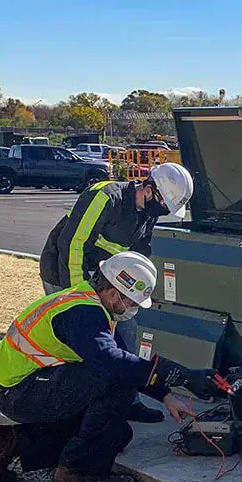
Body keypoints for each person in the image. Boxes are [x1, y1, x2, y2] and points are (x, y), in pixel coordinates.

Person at [0, 251, 218, 482]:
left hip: (27, 386)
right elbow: (114, 364)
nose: (134, 309)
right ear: (114, 293)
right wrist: (179, 375)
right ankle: (77, 474)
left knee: (117, 435)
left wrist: (165, 395)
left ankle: (10, 442)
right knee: (116, 381)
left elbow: (123, 358)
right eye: (133, 302)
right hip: (17, 393)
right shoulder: (82, 313)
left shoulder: (90, 302)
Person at [39, 162, 193, 423]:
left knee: (127, 334)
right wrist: (79, 299)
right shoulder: (105, 197)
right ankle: (78, 405)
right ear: (149, 189)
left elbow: (139, 254)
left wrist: (136, 293)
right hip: (64, 272)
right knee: (83, 341)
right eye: (164, 204)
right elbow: (73, 246)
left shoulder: (148, 214)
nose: (164, 211)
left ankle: (129, 401)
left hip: (107, 280)